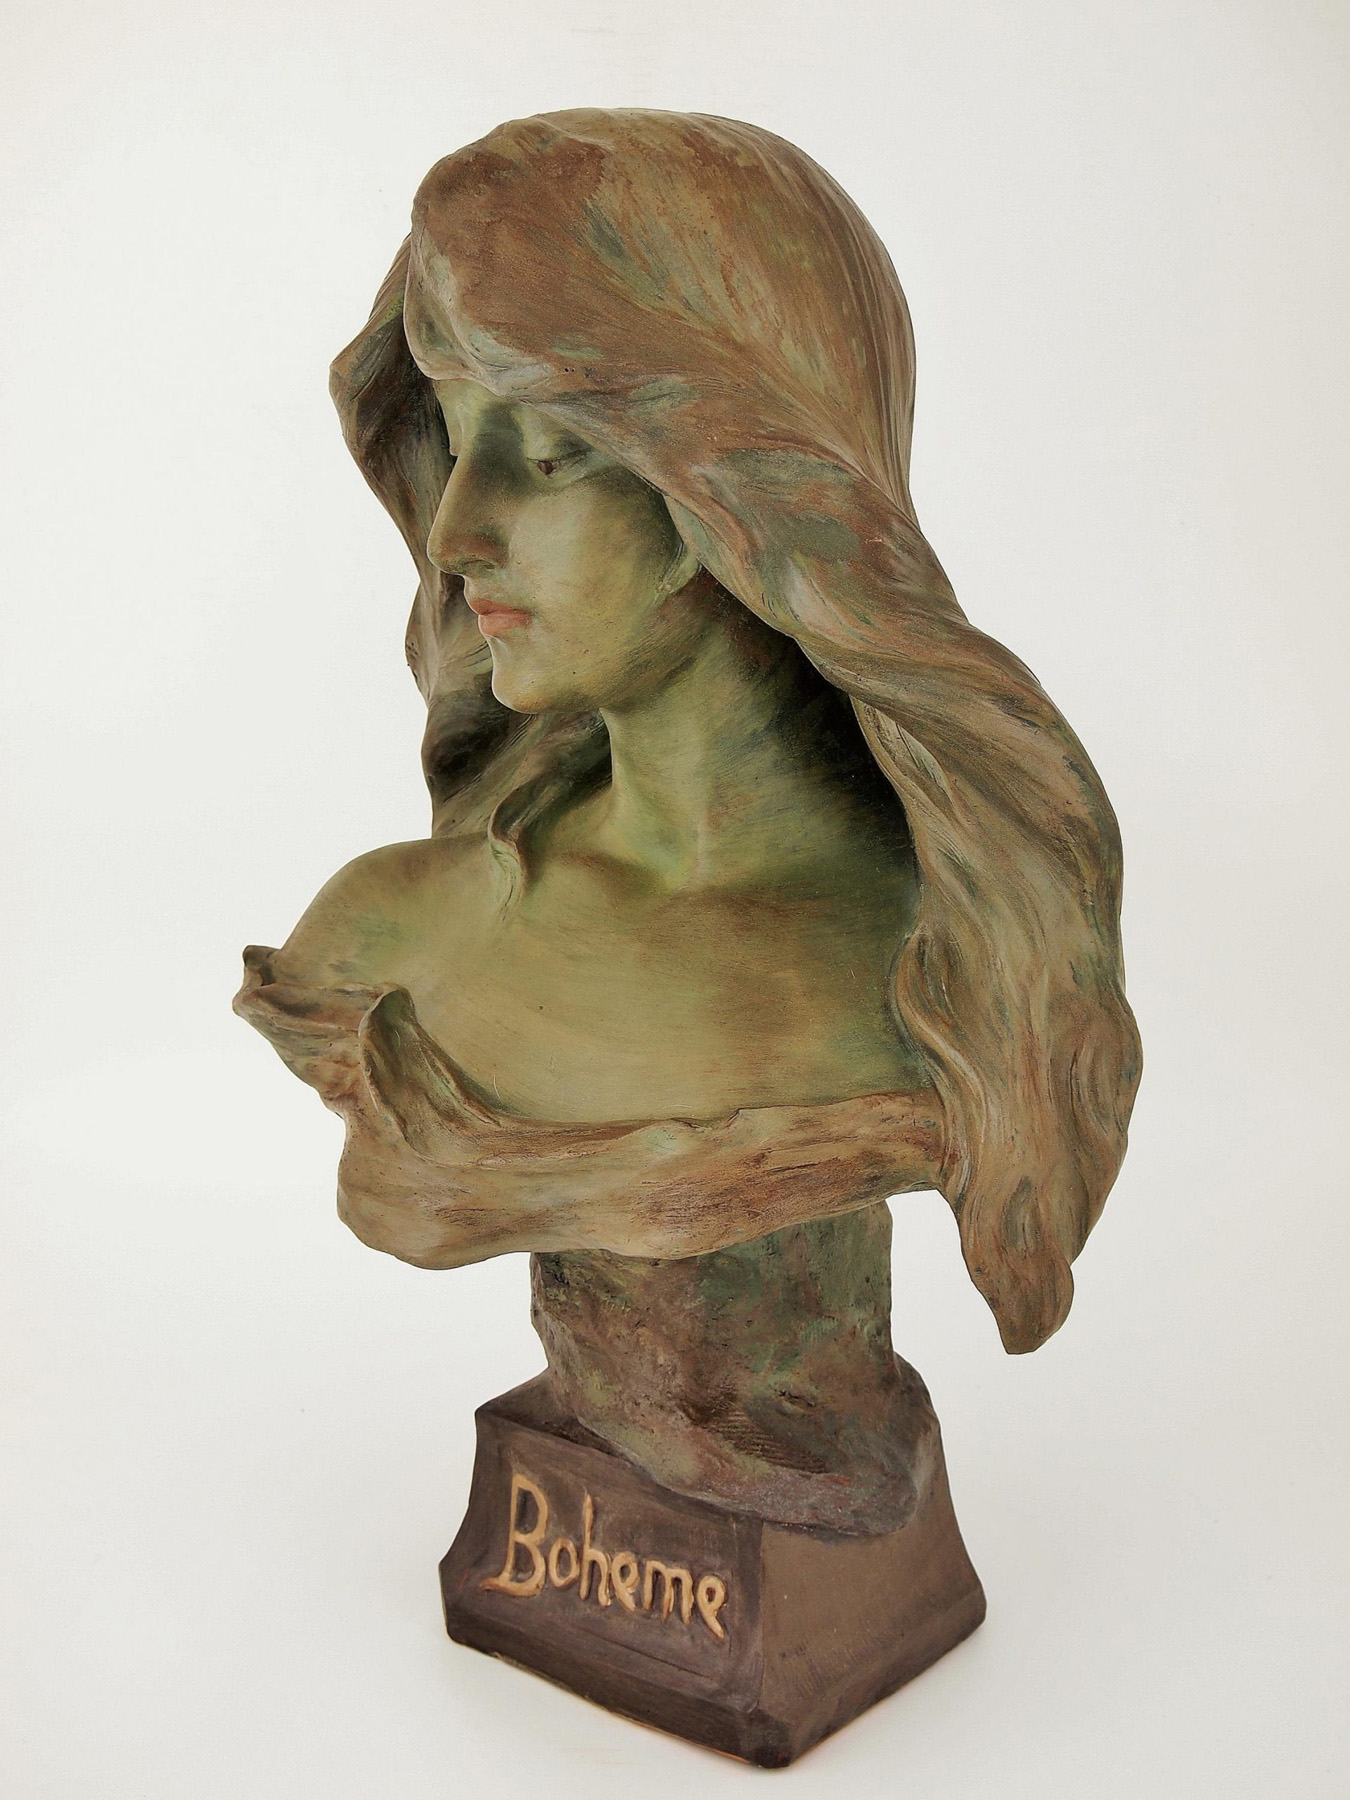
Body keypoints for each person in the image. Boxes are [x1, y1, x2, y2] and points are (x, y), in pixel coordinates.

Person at [236, 109, 1140, 1531]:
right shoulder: (393, 928)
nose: (457, 532)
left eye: (547, 454)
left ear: (737, 486)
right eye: (457, 443)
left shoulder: (950, 971)